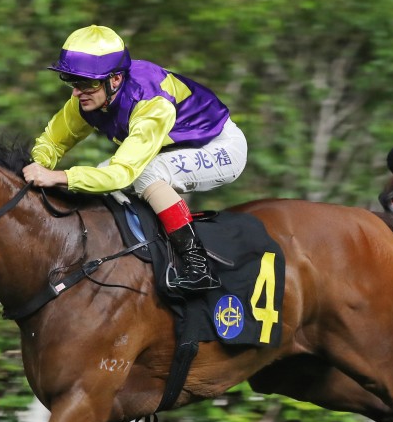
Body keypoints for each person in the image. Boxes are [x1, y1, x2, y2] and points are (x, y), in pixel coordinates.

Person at [23, 25, 247, 292]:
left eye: (85, 83)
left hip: (219, 146)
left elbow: (123, 173)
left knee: (144, 175)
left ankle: (197, 264)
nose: (76, 92)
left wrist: (57, 177)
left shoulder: (151, 103)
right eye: (71, 81)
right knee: (102, 174)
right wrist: (38, 165)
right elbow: (52, 141)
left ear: (115, 79)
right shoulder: (89, 97)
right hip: (169, 149)